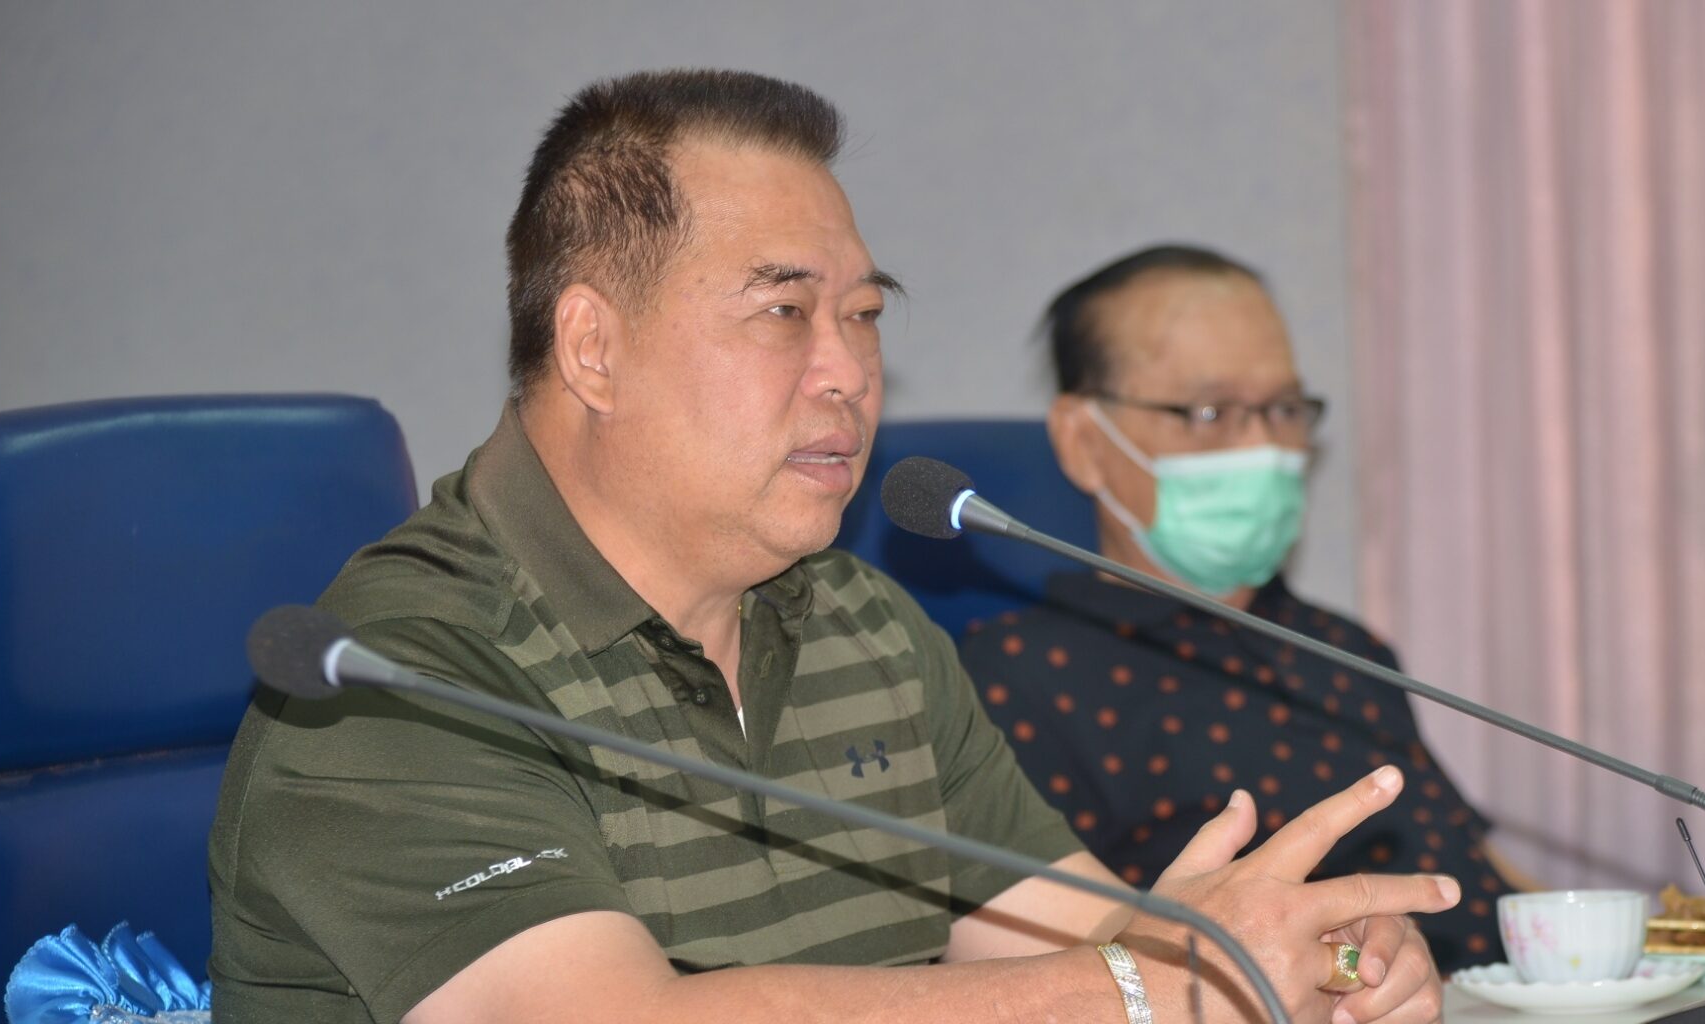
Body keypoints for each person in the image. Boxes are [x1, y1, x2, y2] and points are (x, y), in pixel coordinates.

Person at [206, 72, 1455, 1024]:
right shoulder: (397, 674)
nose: (848, 372)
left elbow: (1082, 947)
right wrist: (1146, 983)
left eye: (862, 316)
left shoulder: (862, 624)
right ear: (592, 348)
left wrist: (1294, 961)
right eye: (783, 311)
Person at [957, 245, 1518, 973]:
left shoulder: (1347, 650)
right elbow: (1066, 973)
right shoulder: (1010, 680)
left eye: (1283, 409)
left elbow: (1478, 874)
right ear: (1084, 442)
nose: (1262, 446)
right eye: (1211, 412)